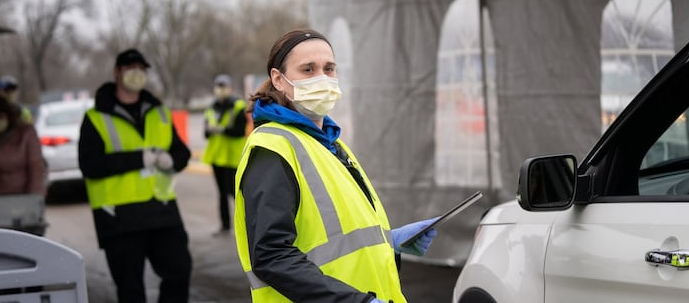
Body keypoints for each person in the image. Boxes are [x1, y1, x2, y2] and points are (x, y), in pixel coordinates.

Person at [234, 29, 438, 303]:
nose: (322, 78)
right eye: (308, 69)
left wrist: (390, 241)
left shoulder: (331, 143)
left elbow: (331, 237)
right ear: (278, 80)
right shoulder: (272, 148)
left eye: (329, 68)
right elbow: (272, 256)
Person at [78, 48, 192, 303]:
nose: (137, 74)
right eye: (131, 69)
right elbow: (90, 165)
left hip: (161, 210)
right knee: (130, 290)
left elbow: (181, 152)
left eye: (142, 69)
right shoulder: (95, 118)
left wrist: (171, 159)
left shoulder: (158, 111)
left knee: (179, 272)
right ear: (117, 72)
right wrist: (137, 159)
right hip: (118, 216)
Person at [201, 73, 248, 236]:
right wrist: (209, 131)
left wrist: (222, 130)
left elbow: (240, 131)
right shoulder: (211, 108)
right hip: (217, 156)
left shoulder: (238, 106)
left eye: (224, 86)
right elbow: (205, 134)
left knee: (233, 192)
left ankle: (246, 224)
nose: (221, 90)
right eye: (218, 86)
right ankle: (225, 225)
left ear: (230, 88)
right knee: (221, 193)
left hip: (233, 157)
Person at [0, 94, 45, 197]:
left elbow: (35, 168)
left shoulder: (26, 134)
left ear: (8, 115)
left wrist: (34, 198)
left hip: (24, 195)